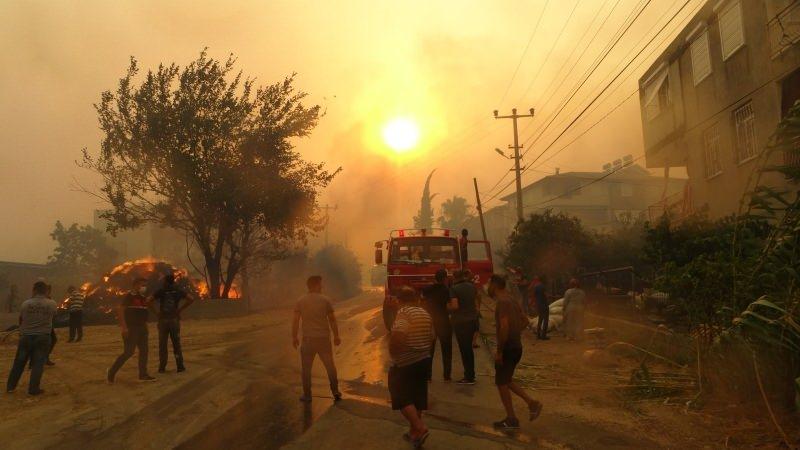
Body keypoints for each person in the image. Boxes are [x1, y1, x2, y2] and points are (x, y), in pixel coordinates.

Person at [488, 274, 543, 430]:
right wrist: (515, 332)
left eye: (489, 284)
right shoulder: (512, 300)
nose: (487, 287)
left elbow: (504, 327)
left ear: (495, 285)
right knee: (507, 380)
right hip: (516, 346)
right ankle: (532, 403)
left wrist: (499, 351)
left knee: (501, 382)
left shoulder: (502, 303)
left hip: (507, 348)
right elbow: (525, 321)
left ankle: (511, 419)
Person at [389, 286, 433, 448]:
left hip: (406, 362)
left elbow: (399, 334)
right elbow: (432, 336)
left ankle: (420, 428)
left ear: (400, 300)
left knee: (400, 395)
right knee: (417, 397)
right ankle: (414, 433)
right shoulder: (425, 313)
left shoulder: (404, 313)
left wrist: (394, 354)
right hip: (424, 359)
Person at [292, 275, 342, 402]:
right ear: (315, 285)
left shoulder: (300, 301)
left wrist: (294, 337)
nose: (322, 286)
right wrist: (336, 336)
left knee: (306, 370)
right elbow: (332, 320)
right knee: (330, 366)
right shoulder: (326, 300)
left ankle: (307, 395)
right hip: (323, 340)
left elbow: (295, 321)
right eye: (320, 284)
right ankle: (335, 391)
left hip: (308, 341)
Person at [6, 281, 57, 395]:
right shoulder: (51, 303)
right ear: (46, 291)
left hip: (26, 336)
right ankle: (33, 389)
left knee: (19, 362)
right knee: (38, 363)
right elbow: (54, 316)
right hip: (43, 336)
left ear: (34, 290)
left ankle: (10, 386)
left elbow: (21, 319)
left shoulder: (25, 304)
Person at [107, 278, 156, 383]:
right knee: (129, 352)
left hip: (142, 328)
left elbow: (143, 313)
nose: (144, 287)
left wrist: (146, 326)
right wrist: (124, 328)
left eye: (145, 285)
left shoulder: (143, 298)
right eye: (142, 285)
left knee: (144, 351)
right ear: (136, 285)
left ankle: (143, 374)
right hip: (132, 328)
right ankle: (111, 372)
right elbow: (120, 310)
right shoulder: (129, 296)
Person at [153, 273, 193, 373]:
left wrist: (156, 313)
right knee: (176, 345)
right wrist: (179, 310)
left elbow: (148, 300)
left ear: (166, 281)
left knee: (162, 345)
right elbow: (191, 299)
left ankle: (162, 367)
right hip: (174, 320)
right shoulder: (178, 291)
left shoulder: (161, 291)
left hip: (163, 321)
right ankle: (180, 366)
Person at [421, 268, 452, 382]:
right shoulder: (447, 290)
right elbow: (449, 306)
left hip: (430, 322)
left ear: (435, 278)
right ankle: (447, 376)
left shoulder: (427, 289)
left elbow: (422, 300)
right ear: (445, 278)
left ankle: (428, 376)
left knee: (429, 350)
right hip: (443, 322)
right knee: (446, 349)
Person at [448, 270, 478, 384]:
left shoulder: (454, 289)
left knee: (465, 350)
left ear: (454, 277)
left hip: (461, 322)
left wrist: (447, 307)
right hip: (472, 320)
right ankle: (471, 374)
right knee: (469, 349)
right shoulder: (471, 286)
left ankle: (469, 377)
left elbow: (455, 306)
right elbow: (476, 301)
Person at [529, 276, 550, 340]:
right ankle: (543, 335)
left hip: (539, 305)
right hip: (544, 305)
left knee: (540, 319)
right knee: (546, 320)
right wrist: (549, 297)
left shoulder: (535, 287)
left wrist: (532, 304)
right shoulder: (542, 286)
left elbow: (533, 296)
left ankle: (538, 335)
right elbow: (546, 295)